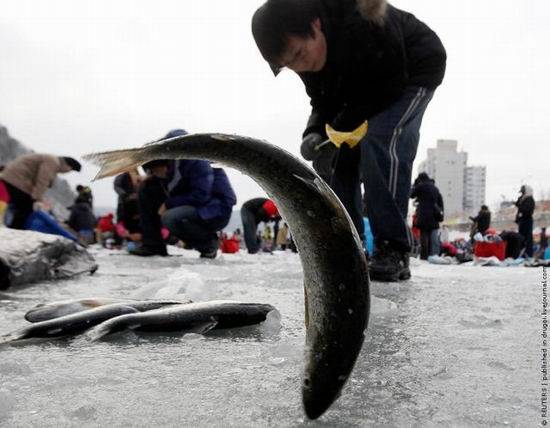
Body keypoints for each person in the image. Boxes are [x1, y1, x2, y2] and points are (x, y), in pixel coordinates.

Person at [252, 0, 446, 281]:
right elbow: (322, 100)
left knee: (382, 139)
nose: (298, 66)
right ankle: (351, 247)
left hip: (412, 71)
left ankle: (393, 248)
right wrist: (315, 132)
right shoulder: (308, 62)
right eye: (288, 65)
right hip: (366, 89)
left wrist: (338, 129)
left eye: (298, 54)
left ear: (315, 24)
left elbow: (388, 84)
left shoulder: (361, 19)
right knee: (339, 157)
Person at [131, 129, 237, 259]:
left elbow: (201, 195)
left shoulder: (195, 160)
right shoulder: (171, 162)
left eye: (155, 171)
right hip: (196, 204)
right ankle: (153, 245)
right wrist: (149, 177)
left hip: (215, 209)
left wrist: (168, 204)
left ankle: (208, 244)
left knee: (170, 218)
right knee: (146, 190)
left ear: (165, 163)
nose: (155, 174)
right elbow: (171, 178)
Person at [0, 154, 81, 229]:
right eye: (70, 170)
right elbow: (42, 180)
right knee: (26, 208)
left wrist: (38, 198)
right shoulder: (52, 162)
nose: (67, 172)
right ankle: (16, 230)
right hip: (16, 181)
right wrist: (37, 199)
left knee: (22, 206)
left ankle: (14, 228)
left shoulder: (51, 162)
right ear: (67, 166)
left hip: (13, 179)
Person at [410, 172, 444, 260]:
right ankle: (433, 255)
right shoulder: (435, 188)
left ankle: (424, 256)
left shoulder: (421, 187)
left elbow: (411, 195)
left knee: (424, 236)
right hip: (434, 216)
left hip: (424, 216)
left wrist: (415, 184)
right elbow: (440, 203)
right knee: (433, 237)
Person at [113, 168, 143, 241]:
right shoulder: (121, 177)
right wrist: (126, 195)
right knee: (123, 221)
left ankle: (136, 238)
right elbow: (117, 187)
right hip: (124, 203)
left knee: (135, 221)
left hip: (137, 204)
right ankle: (123, 239)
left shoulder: (139, 177)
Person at [515, 184, 536, 258]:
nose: (522, 193)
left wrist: (521, 206)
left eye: (523, 192)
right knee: (521, 238)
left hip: (527, 220)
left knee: (527, 238)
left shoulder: (530, 199)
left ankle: (528, 254)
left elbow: (527, 210)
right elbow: (518, 204)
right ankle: (522, 254)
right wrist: (520, 200)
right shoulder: (523, 199)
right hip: (522, 220)